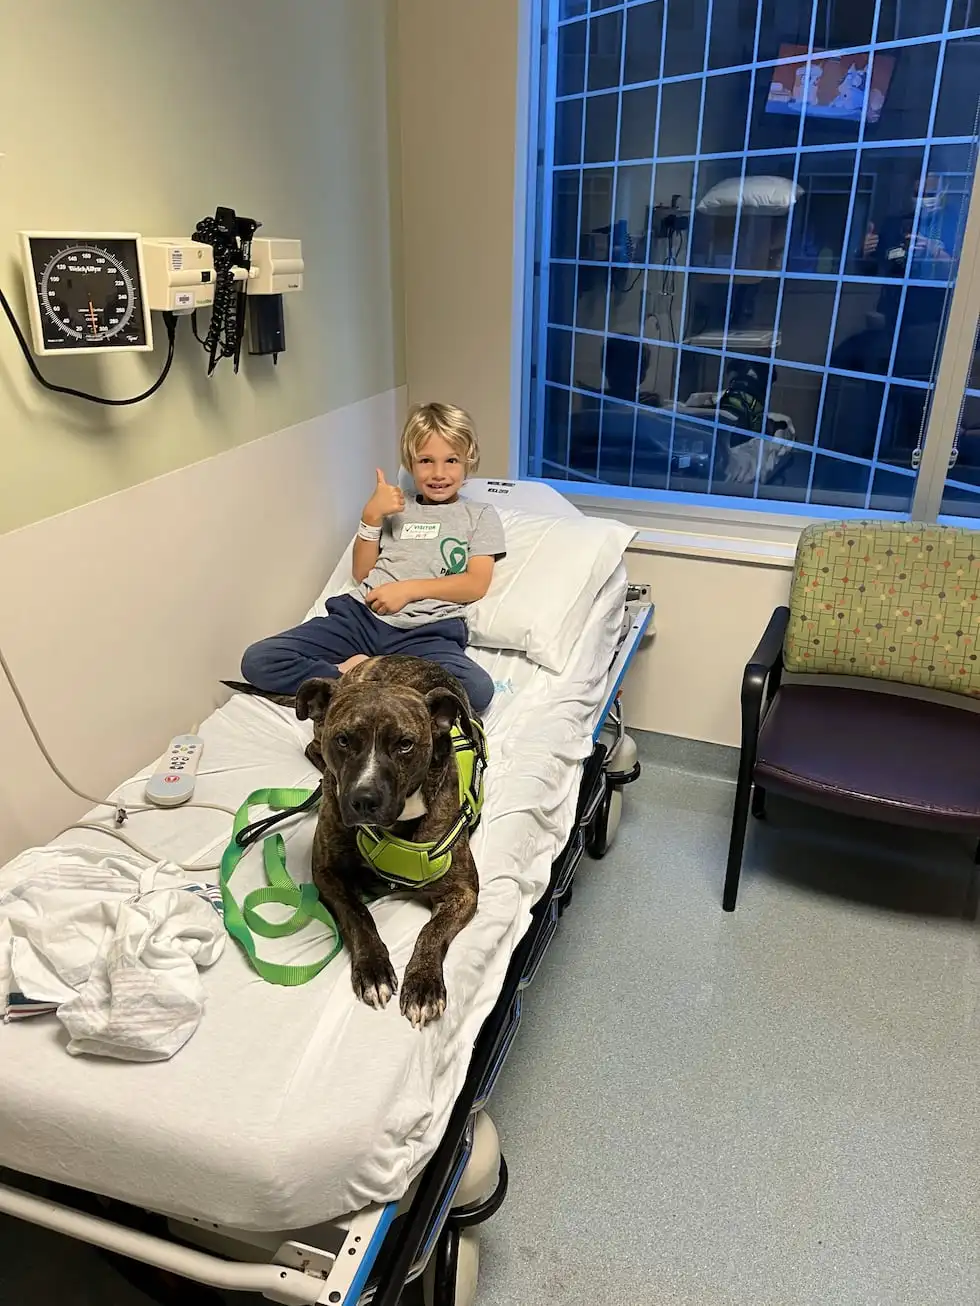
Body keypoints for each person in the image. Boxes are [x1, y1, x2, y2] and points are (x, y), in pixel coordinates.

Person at [240, 403, 505, 713]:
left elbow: (475, 584)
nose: (439, 473)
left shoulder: (480, 515)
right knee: (259, 660)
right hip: (362, 619)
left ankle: (364, 675)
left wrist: (408, 590)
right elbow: (363, 571)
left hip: (426, 634)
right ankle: (351, 678)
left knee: (476, 690)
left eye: (451, 461)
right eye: (426, 461)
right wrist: (371, 515)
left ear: (468, 461)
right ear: (410, 462)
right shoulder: (395, 505)